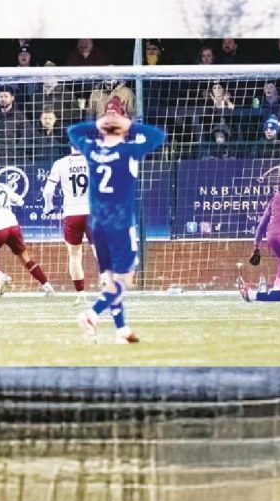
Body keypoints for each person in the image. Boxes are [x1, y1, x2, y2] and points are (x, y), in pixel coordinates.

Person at [66, 103, 166, 344]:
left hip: (98, 223)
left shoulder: (91, 149)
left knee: (111, 278)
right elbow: (159, 135)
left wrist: (98, 125)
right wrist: (129, 125)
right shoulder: (128, 151)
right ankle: (92, 313)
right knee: (125, 279)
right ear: (122, 126)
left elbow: (73, 131)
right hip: (120, 224)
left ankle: (122, 329)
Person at [0, 166, 54, 293]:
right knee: (25, 258)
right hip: (13, 226)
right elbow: (20, 201)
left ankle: (2, 277)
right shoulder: (2, 186)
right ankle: (47, 286)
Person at [42, 138, 93, 296]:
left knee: (74, 254)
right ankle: (108, 286)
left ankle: (80, 294)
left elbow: (48, 191)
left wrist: (48, 207)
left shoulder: (60, 163)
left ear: (70, 145)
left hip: (72, 212)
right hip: (93, 211)